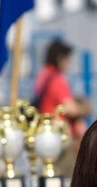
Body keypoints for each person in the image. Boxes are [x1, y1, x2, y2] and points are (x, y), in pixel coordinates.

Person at [33, 39, 91, 177]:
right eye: (67, 58)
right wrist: (85, 108)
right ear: (60, 58)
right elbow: (71, 109)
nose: (69, 62)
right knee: (67, 176)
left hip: (45, 135)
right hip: (60, 136)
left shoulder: (43, 75)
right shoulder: (57, 79)